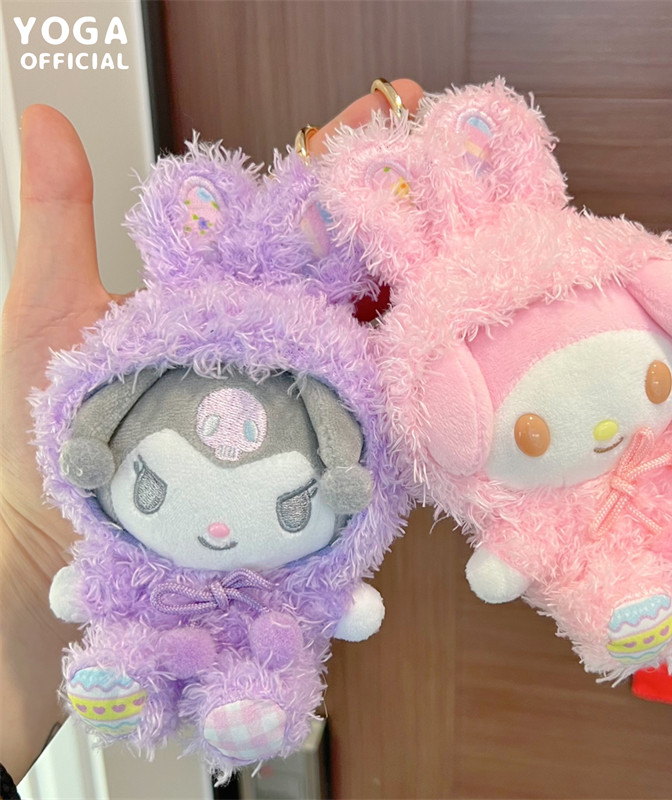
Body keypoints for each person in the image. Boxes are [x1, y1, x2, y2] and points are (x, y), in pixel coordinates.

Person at [0, 79, 423, 793]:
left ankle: (249, 699)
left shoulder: (318, 379)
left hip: (267, 610)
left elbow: (336, 419)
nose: (220, 529)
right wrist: (42, 523)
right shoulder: (144, 365)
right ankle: (128, 671)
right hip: (147, 592)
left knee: (270, 650)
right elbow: (115, 389)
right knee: (137, 633)